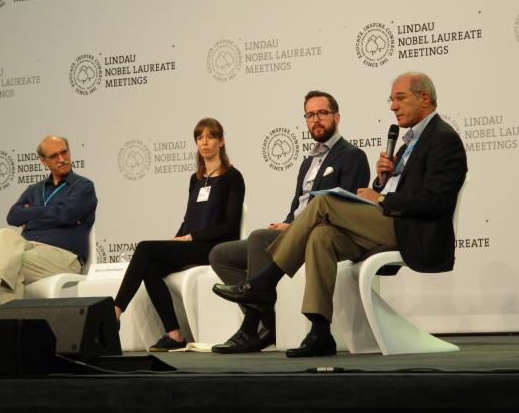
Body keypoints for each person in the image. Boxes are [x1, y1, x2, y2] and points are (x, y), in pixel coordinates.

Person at [213, 72, 468, 357]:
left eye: (400, 98)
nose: (393, 106)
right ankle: (320, 331)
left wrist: (383, 197)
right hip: (391, 221)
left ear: (424, 98)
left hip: (413, 231)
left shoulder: (443, 139)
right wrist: (383, 181)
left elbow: (438, 201)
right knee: (321, 236)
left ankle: (265, 282)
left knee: (322, 204)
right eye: (391, 100)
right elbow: (399, 191)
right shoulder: (410, 142)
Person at [209, 91, 370, 354]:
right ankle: (268, 322)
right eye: (310, 115)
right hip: (294, 231)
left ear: (336, 117)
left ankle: (250, 329)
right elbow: (297, 208)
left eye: (322, 113)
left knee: (260, 239)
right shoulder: (307, 161)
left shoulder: (352, 156)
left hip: (325, 235)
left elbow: (347, 209)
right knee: (221, 254)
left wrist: (293, 227)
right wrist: (286, 223)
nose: (315, 120)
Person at [114, 118, 245, 351]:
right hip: (192, 244)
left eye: (210, 136)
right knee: (150, 268)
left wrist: (191, 237)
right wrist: (176, 239)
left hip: (215, 249)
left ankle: (115, 311)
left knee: (145, 247)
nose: (204, 142)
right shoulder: (196, 179)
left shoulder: (232, 178)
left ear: (221, 141)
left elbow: (230, 228)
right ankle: (174, 335)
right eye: (199, 137)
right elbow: (189, 220)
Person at [0, 135, 97, 314]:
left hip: (64, 256)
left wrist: (32, 213)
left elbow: (65, 215)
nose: (62, 159)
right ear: (43, 161)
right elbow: (13, 216)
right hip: (30, 248)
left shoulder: (83, 186)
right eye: (54, 156)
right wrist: (52, 212)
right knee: (4, 234)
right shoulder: (34, 189)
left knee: (8, 265)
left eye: (64, 152)